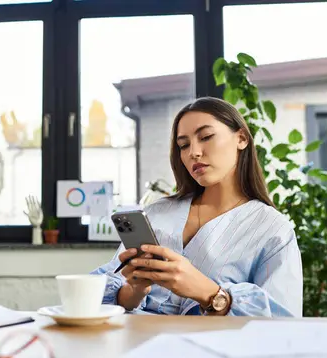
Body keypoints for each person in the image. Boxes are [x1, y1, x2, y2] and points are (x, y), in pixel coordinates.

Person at [90, 96, 303, 317]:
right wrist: (132, 292)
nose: (194, 152)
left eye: (206, 137)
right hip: (133, 342)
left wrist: (210, 294)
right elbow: (96, 294)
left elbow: (283, 321)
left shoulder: (273, 229)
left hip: (209, 348)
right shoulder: (157, 213)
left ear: (241, 139)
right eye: (184, 145)